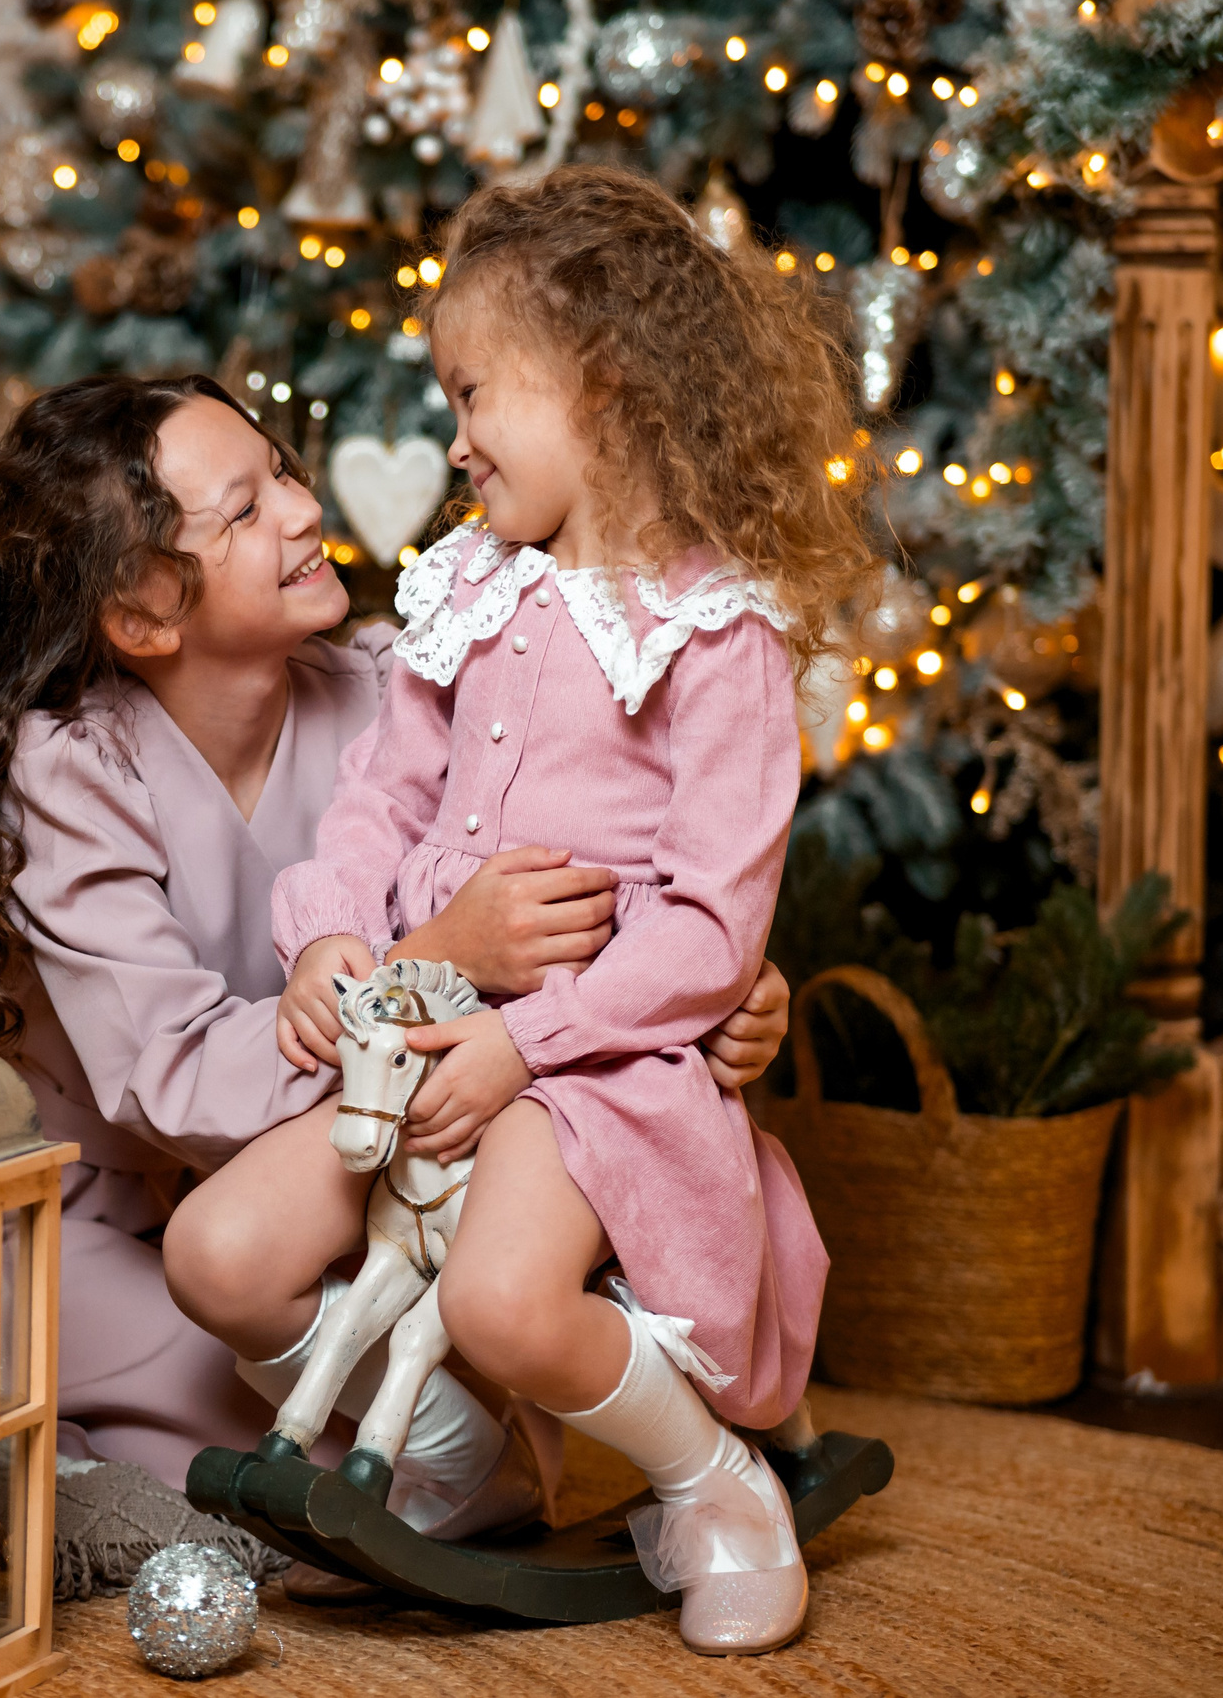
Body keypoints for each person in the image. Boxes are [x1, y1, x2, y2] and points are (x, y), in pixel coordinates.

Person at [162, 166, 881, 1656]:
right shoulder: (467, 589)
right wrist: (333, 935)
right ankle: (452, 1459)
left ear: (605, 389)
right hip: (424, 1033)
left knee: (502, 1300)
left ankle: (714, 1483)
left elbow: (708, 934)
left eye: (477, 390)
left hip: (595, 1068)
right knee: (218, 1253)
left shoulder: (718, 633)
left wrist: (528, 1046)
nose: (458, 432)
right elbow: (381, 799)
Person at [0, 371, 794, 1518]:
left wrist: (725, 979)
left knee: (443, 1375)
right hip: (91, 1216)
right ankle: (422, 1449)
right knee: (320, 1467)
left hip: (346, 1176)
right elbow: (169, 1078)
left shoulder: (384, 684)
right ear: (145, 611)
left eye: (283, 472)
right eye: (245, 509)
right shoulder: (69, 766)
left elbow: (602, 859)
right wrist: (444, 959)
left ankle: (457, 1439)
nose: (304, 508)